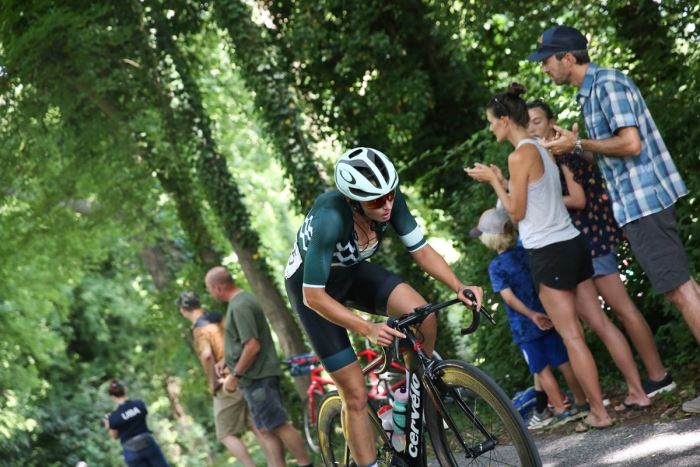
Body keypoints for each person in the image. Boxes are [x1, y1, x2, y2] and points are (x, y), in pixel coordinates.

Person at [525, 25, 700, 413]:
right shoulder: (591, 93)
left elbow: (631, 143)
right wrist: (571, 150)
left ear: (567, 58)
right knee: (684, 287)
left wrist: (579, 144)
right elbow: (613, 152)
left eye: (547, 61)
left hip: (646, 203)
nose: (544, 70)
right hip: (635, 205)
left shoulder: (606, 85)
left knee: (679, 290)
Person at [465, 82, 655, 430]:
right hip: (574, 243)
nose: (490, 127)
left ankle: (599, 412)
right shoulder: (542, 149)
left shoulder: (519, 155)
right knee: (599, 323)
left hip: (548, 253)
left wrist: (494, 181)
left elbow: (517, 214)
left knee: (572, 336)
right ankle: (638, 392)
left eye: (491, 121)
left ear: (505, 120)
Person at [284, 147, 484, 466]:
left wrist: (458, 286)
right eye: (377, 201)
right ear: (353, 200)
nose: (387, 204)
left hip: (350, 275)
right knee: (356, 395)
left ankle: (410, 399)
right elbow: (314, 296)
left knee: (423, 314)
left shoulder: (388, 202)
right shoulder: (330, 219)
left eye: (390, 195)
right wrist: (368, 328)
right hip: (313, 293)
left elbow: (420, 250)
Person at [527, 99, 676, 398]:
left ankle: (658, 377)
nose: (532, 127)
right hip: (580, 244)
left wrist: (534, 201)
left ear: (551, 122)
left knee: (621, 310)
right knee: (605, 319)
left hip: (592, 240)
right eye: (528, 122)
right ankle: (643, 384)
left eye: (538, 121)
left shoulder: (564, 155)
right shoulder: (549, 157)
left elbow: (579, 199)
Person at [472, 207, 588, 430]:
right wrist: (540, 311)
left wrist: (531, 315)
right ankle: (581, 403)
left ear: (490, 238)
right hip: (549, 316)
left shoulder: (496, 266)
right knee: (564, 363)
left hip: (525, 327)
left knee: (541, 370)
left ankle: (563, 412)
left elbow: (509, 298)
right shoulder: (528, 252)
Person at [205, 267, 313, 467]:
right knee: (264, 428)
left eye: (209, 289)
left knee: (278, 425)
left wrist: (235, 375)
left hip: (258, 377)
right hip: (253, 378)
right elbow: (241, 342)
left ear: (217, 288)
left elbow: (252, 345)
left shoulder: (240, 305)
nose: (210, 293)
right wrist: (225, 361)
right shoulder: (239, 302)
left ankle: (306, 463)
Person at [176, 291, 262, 467]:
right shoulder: (219, 318)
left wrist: (214, 382)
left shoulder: (200, 328)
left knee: (224, 434)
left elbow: (207, 355)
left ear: (183, 310)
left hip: (227, 381)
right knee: (255, 425)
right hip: (244, 370)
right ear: (198, 303)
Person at [104, 379, 169, 467]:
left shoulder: (114, 417)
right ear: (125, 391)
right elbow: (142, 417)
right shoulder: (139, 405)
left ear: (113, 397)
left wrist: (109, 426)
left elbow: (115, 436)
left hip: (131, 452)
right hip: (148, 445)